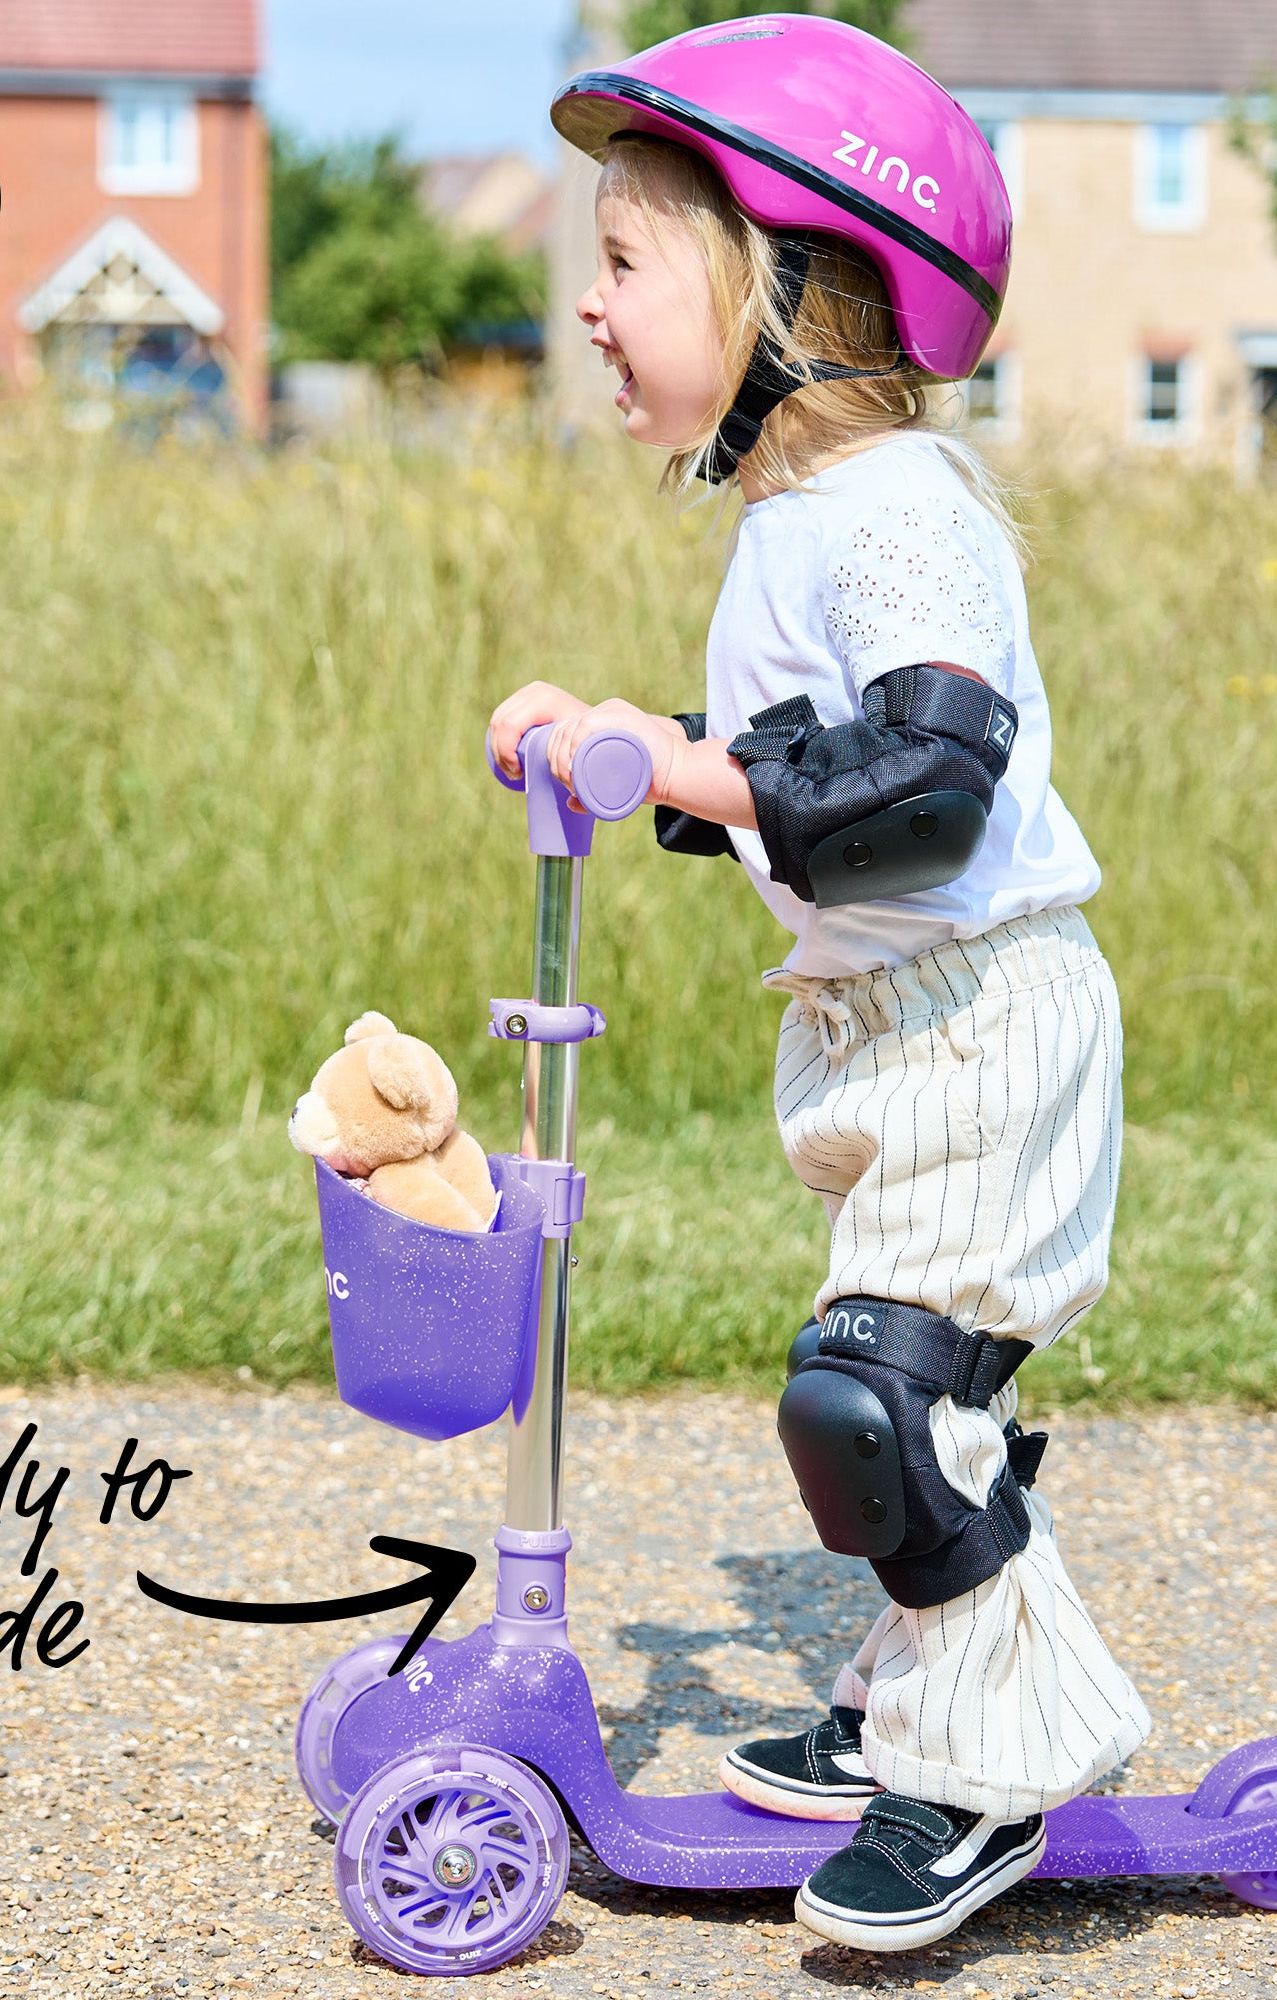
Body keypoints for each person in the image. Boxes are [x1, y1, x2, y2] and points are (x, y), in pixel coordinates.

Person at [487, 14, 1150, 1954]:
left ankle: (990, 1769)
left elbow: (929, 784)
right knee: (897, 1402)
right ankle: (901, 1702)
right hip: (893, 1030)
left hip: (986, 1020)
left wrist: (684, 763)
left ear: (780, 282)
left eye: (622, 263)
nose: (589, 309)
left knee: (875, 1407)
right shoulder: (803, 520)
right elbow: (808, 762)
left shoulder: (899, 516)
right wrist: (643, 748)